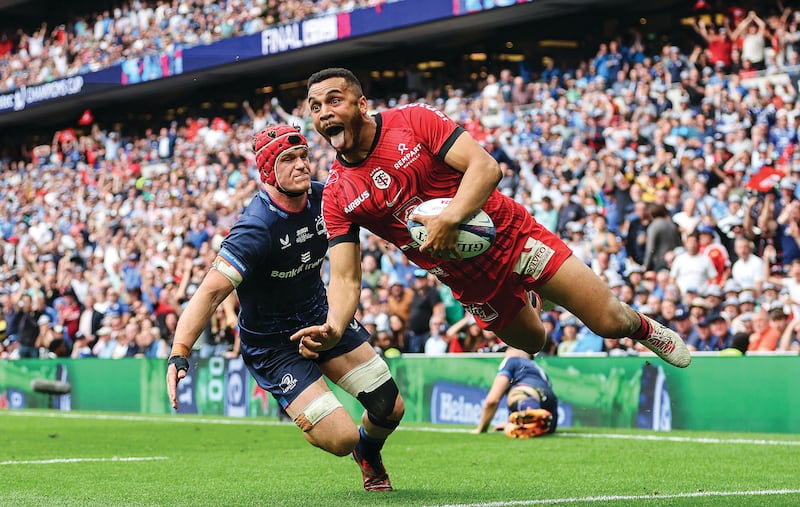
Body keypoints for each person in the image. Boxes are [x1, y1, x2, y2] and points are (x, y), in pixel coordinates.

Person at [292, 67, 690, 371]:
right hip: (468, 279)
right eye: (315, 107)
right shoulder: (336, 194)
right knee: (534, 341)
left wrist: (450, 219)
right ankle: (533, 297)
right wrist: (335, 327)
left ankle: (644, 328)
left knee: (608, 322)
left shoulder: (413, 120)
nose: (325, 112)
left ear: (361, 105)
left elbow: (485, 167)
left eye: (334, 100)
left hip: (511, 236)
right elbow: (346, 278)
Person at [165, 124, 404, 492]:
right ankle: (311, 408)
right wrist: (179, 353)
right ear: (267, 170)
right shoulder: (256, 228)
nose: (301, 165)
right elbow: (210, 294)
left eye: (304, 156)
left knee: (390, 406)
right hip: (275, 345)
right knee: (341, 438)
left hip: (323, 321)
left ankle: (369, 453)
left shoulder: (327, 199)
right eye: (287, 159)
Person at [471, 346, 558, 438]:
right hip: (550, 409)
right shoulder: (539, 369)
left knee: (516, 394)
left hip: (529, 393)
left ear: (515, 350)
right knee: (512, 424)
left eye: (508, 350)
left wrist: (481, 428)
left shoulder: (513, 361)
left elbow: (492, 400)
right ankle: (533, 421)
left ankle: (532, 416)